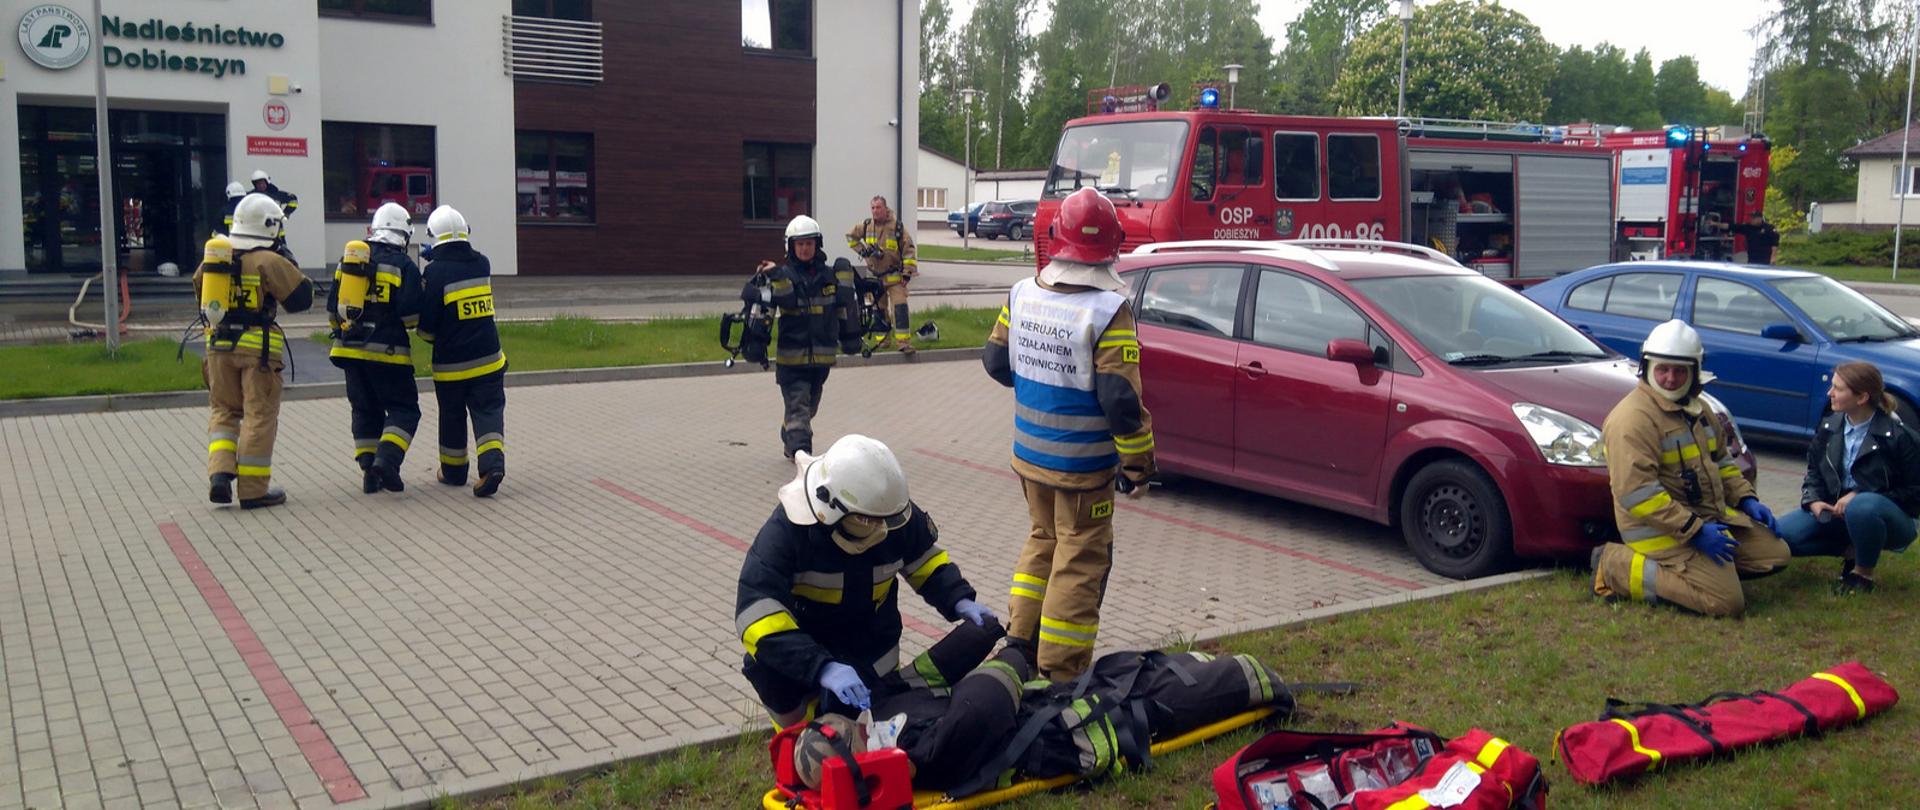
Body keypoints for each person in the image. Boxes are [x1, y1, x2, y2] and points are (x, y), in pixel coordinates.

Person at [983, 187, 1155, 682]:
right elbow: (1121, 401)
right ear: (1113, 247)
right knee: (1079, 558)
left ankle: (1019, 641)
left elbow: (996, 362)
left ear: (1057, 239)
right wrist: (1140, 465)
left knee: (1042, 539)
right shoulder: (1107, 310)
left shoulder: (1023, 291)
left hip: (1029, 456)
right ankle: (1059, 674)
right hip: (1082, 468)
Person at [735, 434, 994, 729]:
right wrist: (820, 666)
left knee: (868, 721)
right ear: (832, 509)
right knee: (771, 674)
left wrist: (958, 598)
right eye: (867, 521)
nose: (881, 529)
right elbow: (756, 612)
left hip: (871, 640)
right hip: (806, 640)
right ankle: (795, 743)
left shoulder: (888, 512)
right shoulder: (788, 531)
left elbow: (924, 560)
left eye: (885, 519)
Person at [1591, 319, 1791, 616]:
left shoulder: (1699, 408)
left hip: (1708, 518)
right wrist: (1695, 532)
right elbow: (1638, 494)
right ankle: (1614, 566)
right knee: (1726, 603)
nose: (1670, 378)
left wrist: (1746, 499)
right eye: (1663, 369)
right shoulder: (1631, 420)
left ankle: (1708, 573)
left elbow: (1722, 461)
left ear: (1694, 371)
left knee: (1775, 554)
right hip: (1657, 530)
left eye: (1679, 370)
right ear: (1647, 367)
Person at [195, 193, 315, 509]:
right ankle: (253, 489)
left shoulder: (215, 257)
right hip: (258, 352)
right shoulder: (267, 260)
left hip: (218, 348)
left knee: (224, 411)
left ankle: (219, 474)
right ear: (271, 227)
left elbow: (200, 293)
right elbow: (302, 299)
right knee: (258, 415)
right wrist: (287, 260)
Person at [1780, 362, 1920, 593]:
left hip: (1892, 519)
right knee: (1782, 537)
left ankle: (1861, 575)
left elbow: (1915, 494)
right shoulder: (1829, 426)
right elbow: (1814, 471)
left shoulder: (1900, 436)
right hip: (1838, 513)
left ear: (1862, 397)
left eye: (1837, 388)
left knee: (1863, 507)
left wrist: (1858, 495)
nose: (1829, 393)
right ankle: (1852, 548)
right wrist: (1813, 501)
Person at [327, 203, 424, 494]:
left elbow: (333, 310)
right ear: (403, 234)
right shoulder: (403, 265)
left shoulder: (350, 260)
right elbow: (411, 317)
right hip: (388, 353)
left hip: (348, 351)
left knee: (364, 410)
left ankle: (370, 472)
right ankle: (387, 461)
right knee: (404, 410)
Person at [750, 215, 861, 459]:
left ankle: (789, 433)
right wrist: (758, 344)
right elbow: (768, 309)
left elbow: (843, 309)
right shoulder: (782, 275)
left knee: (809, 407)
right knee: (799, 408)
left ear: (817, 245)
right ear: (790, 246)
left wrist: (850, 338)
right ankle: (802, 456)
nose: (804, 249)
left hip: (821, 360)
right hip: (791, 361)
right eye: (799, 244)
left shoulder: (830, 276)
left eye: (809, 243)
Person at [417, 205, 508, 497]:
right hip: (489, 360)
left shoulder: (434, 272)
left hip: (452, 367)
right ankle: (492, 467)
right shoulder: (482, 263)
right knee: (488, 413)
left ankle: (455, 472)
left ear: (434, 238)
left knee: (452, 417)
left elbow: (427, 327)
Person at [846, 196, 920, 353]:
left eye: (878, 208)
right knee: (879, 310)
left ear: (885, 209)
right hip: (875, 278)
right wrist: (863, 251)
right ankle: (883, 341)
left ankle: (903, 343)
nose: (875, 211)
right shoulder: (866, 226)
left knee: (900, 308)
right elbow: (850, 237)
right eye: (872, 208)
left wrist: (907, 273)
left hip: (895, 278)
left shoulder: (897, 228)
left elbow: (909, 251)